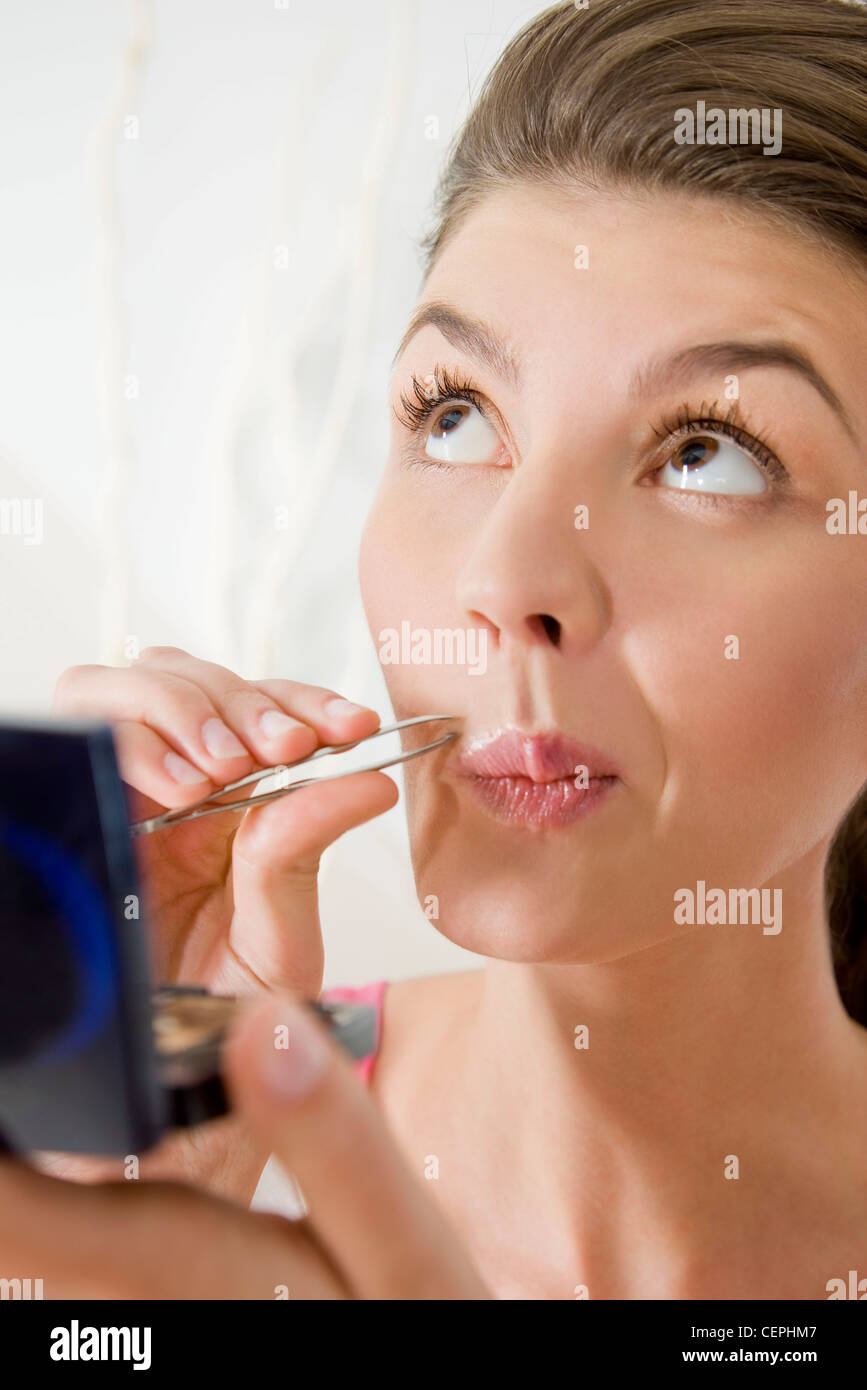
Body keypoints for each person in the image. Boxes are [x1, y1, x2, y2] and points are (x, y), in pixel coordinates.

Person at [4, 0, 867, 1299]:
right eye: (455, 416)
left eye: (709, 454)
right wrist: (88, 1278)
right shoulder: (211, 1132)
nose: (507, 580)